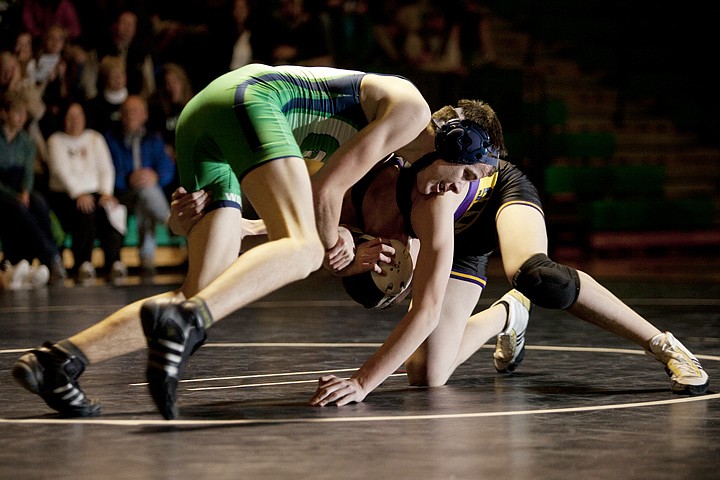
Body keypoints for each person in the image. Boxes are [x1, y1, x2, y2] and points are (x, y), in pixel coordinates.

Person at [11, 63, 448, 419]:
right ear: (458, 145)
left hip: (212, 115)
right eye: (463, 176)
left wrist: (214, 224)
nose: (450, 192)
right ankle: (189, 319)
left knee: (201, 287)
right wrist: (330, 241)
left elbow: (274, 212)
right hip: (253, 99)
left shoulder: (382, 155)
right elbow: (323, 197)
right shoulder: (411, 113)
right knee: (304, 248)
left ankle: (59, 361)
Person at [46, 101, 126, 281]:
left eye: (79, 116)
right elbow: (61, 172)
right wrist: (78, 193)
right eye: (70, 117)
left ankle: (114, 261)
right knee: (85, 210)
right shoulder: (55, 141)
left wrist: (106, 193)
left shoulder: (95, 138)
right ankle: (83, 262)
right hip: (66, 194)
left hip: (96, 192)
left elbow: (106, 168)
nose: (75, 121)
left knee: (110, 209)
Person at [0, 91, 66, 283]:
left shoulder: (27, 141)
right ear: (5, 113)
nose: (21, 118)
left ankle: (48, 260)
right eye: (17, 113)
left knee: (38, 203)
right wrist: (16, 195)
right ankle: (51, 257)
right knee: (18, 207)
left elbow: (28, 172)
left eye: (24, 114)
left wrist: (26, 192)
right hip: (3, 192)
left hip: (20, 189)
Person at [105, 95, 175, 275]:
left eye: (135, 111)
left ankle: (147, 258)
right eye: (126, 112)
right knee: (146, 191)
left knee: (146, 194)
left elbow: (167, 167)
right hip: (121, 192)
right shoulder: (112, 140)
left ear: (144, 115)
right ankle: (170, 222)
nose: (131, 116)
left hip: (148, 192)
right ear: (121, 115)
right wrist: (129, 179)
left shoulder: (154, 139)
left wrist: (155, 176)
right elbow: (107, 168)